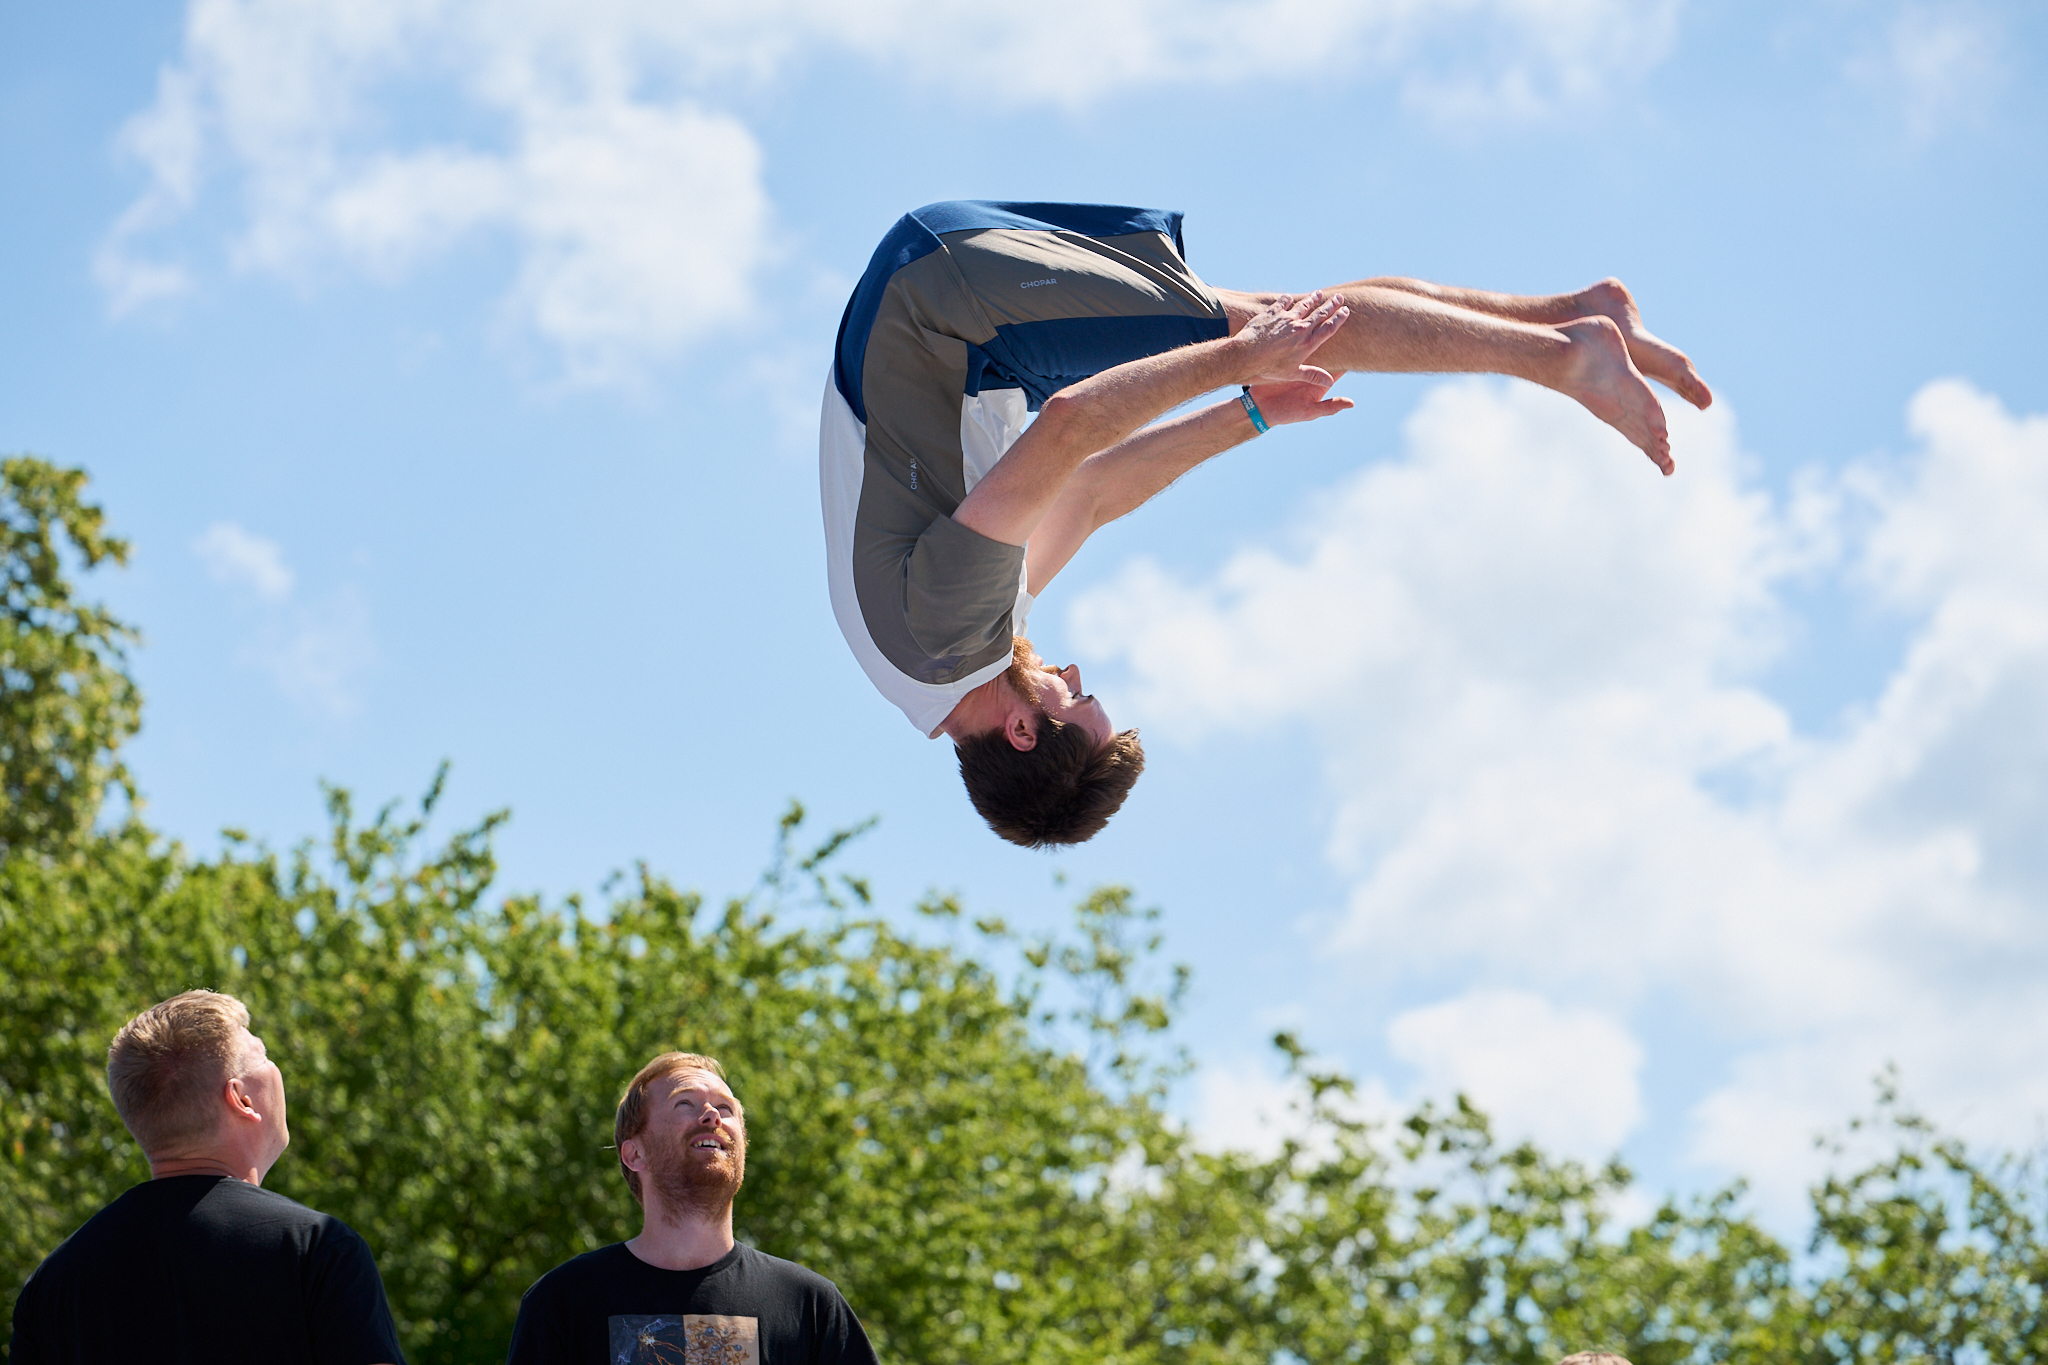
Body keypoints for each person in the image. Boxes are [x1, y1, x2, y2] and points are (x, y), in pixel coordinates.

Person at [820, 200, 1712, 847]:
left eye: (1076, 701)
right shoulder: (944, 665)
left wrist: (1233, 364)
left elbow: (1074, 427)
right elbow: (1090, 493)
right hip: (942, 291)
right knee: (1304, 319)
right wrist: (1247, 411)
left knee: (1285, 330)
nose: (1076, 674)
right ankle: (1568, 317)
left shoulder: (943, 638)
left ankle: (1568, 360)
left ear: (1021, 733)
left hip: (955, 308)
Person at [7, 989, 405, 1365]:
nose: (275, 1068)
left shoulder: (52, 1288)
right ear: (241, 1099)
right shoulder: (317, 1251)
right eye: (263, 1054)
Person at [506, 1052, 878, 1365]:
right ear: (635, 1153)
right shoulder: (563, 1301)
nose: (712, 1116)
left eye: (725, 1108)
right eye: (685, 1103)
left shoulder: (810, 1306)